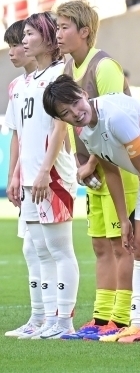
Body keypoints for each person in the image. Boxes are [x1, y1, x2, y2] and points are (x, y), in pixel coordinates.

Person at [43, 76, 140, 343]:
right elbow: (111, 170)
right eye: (66, 113)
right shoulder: (84, 131)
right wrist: (124, 220)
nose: (76, 113)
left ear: (83, 93)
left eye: (75, 103)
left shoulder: (116, 116)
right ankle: (138, 324)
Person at [53, 0, 139, 341]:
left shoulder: (104, 67)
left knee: (123, 245)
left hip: (120, 169)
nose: (57, 34)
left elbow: (117, 123)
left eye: (63, 27)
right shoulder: (67, 69)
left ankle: (121, 319)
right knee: (101, 246)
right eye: (57, 27)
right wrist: (79, 162)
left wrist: (90, 162)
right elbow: (71, 125)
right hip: (93, 171)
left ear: (84, 32)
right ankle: (101, 318)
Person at [19, 12, 79, 339]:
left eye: (29, 34)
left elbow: (60, 127)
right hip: (32, 176)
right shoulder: (31, 79)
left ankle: (64, 321)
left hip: (51, 175)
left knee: (59, 249)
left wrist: (45, 170)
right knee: (40, 250)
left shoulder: (59, 74)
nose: (24, 40)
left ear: (45, 36)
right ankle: (44, 318)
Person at [3, 19, 41, 338]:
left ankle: (54, 316)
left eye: (18, 42)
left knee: (46, 246)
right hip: (25, 176)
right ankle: (38, 316)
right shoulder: (16, 87)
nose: (13, 51)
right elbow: (17, 135)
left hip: (46, 176)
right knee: (30, 247)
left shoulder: (52, 80)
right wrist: (12, 173)